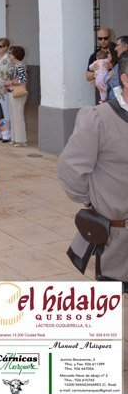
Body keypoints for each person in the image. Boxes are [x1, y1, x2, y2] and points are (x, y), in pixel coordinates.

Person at [58, 52, 128, 289]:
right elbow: (70, 168)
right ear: (126, 80)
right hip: (116, 239)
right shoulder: (100, 118)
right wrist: (92, 201)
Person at [5, 46, 28, 146]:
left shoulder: (20, 66)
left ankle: (21, 140)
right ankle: (15, 138)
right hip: (12, 93)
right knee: (14, 116)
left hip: (18, 93)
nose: (9, 55)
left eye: (11, 53)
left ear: (15, 55)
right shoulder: (15, 66)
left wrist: (10, 82)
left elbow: (22, 80)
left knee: (18, 117)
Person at [107, 36, 128, 100]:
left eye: (117, 45)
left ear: (126, 46)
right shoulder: (118, 65)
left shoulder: (121, 64)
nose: (115, 49)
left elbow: (114, 89)